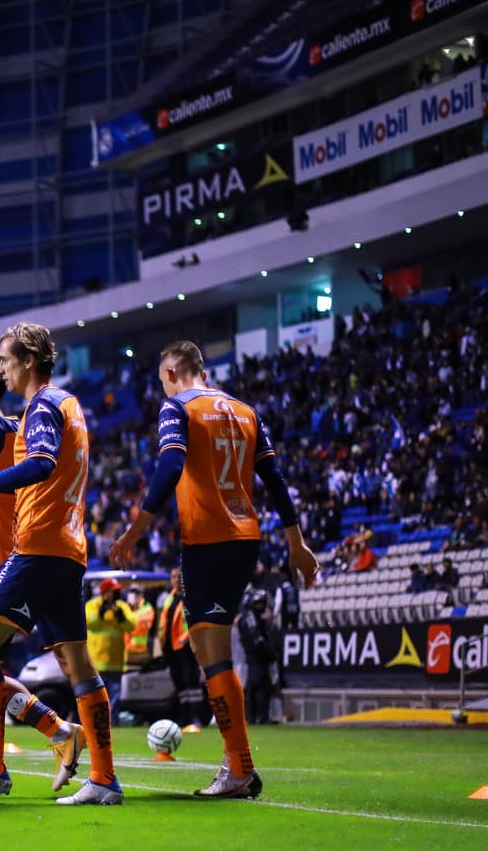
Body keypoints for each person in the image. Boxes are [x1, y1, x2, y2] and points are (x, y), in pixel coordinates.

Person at [111, 340, 318, 799]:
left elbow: (169, 468)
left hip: (207, 542)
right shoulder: (246, 411)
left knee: (213, 656)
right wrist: (296, 542)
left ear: (170, 373)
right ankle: (237, 764)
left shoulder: (177, 408)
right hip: (247, 541)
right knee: (212, 654)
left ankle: (239, 767)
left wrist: (134, 531)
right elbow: (275, 481)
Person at [0, 321, 121, 805]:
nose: (1, 368)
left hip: (37, 546)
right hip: (69, 548)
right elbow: (39, 470)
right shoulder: (68, 405)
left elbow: (40, 466)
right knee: (78, 664)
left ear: (29, 360)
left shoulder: (41, 406)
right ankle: (103, 778)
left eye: (6, 359)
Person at [161, 567, 210, 727]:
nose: (175, 579)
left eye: (178, 576)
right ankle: (184, 715)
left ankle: (196, 716)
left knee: (192, 682)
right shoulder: (170, 598)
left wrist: (186, 638)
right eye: (173, 576)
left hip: (186, 645)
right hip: (171, 647)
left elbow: (195, 620)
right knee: (180, 683)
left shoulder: (190, 596)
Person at [85, 578, 134, 721]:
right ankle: (97, 721)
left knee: (115, 694)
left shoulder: (121, 607)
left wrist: (122, 619)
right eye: (113, 591)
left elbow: (132, 626)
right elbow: (88, 622)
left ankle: (112, 720)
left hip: (115, 661)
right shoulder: (92, 605)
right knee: (97, 695)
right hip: (97, 661)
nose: (116, 593)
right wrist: (101, 614)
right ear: (104, 592)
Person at [237, 590, 276, 725]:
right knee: (258, 687)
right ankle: (257, 717)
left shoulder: (255, 617)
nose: (261, 606)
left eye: (262, 603)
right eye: (258, 603)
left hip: (256, 657)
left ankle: (256, 716)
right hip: (255, 657)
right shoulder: (250, 618)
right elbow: (256, 639)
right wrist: (271, 653)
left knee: (259, 686)